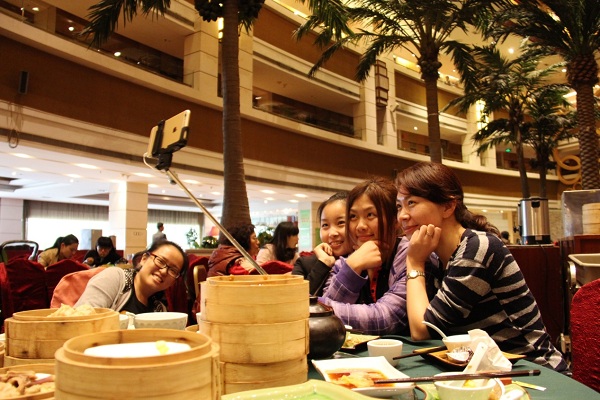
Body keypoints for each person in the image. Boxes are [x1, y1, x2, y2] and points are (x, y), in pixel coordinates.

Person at [396, 162, 567, 371]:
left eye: (411, 203)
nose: (402, 215)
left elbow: (422, 330)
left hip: (535, 370)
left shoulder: (478, 248)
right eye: (399, 206)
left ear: (448, 206)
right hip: (487, 371)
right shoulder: (436, 258)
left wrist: (414, 262)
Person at [319, 177, 430, 336]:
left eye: (370, 215)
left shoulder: (411, 253)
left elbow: (387, 318)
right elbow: (323, 319)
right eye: (353, 217)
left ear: (395, 220)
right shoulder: (345, 262)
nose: (360, 226)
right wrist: (353, 266)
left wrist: (312, 307)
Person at [75, 240, 187, 313]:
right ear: (144, 259)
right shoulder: (115, 278)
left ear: (174, 281)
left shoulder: (159, 310)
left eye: (173, 270)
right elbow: (82, 320)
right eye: (160, 261)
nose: (164, 271)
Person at [292, 192, 353, 296]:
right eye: (325, 225)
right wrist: (323, 264)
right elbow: (295, 299)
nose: (332, 233)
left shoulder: (369, 263)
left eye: (341, 223)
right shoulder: (305, 264)